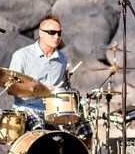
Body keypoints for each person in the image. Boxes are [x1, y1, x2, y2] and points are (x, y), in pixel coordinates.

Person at [8, 14, 92, 144]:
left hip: (54, 110)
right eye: (52, 33)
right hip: (27, 107)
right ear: (41, 33)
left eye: (59, 33)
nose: (57, 36)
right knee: (39, 133)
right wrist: (42, 90)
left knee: (85, 129)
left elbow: (64, 88)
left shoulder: (62, 59)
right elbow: (11, 90)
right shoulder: (22, 55)